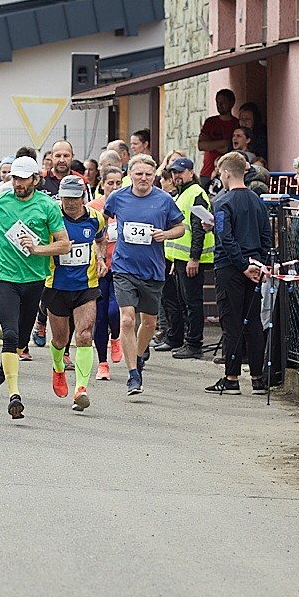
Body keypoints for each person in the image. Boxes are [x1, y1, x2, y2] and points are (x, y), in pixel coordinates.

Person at [0, 155, 69, 420]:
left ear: (35, 179)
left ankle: (3, 365)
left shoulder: (47, 207)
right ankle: (14, 395)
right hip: (6, 277)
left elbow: (64, 244)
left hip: (34, 279)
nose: (17, 183)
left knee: (20, 339)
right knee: (9, 334)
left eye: (22, 178)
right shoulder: (1, 202)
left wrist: (38, 248)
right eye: (14, 178)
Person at [104, 154, 185, 397]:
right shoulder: (118, 198)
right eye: (138, 173)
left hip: (153, 269)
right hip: (124, 267)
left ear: (154, 177)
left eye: (148, 174)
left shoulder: (164, 199)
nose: (143, 178)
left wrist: (166, 235)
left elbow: (181, 227)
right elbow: (104, 218)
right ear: (130, 175)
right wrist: (101, 248)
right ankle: (132, 374)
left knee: (149, 322)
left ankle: (138, 358)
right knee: (127, 319)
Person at [203, 151, 274, 395]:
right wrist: (259, 263)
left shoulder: (222, 202)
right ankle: (257, 378)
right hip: (255, 266)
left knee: (231, 321)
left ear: (225, 173)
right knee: (253, 321)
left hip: (231, 267)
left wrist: (242, 265)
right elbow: (267, 235)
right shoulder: (257, 200)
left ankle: (231, 377)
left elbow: (226, 237)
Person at [41, 174, 106, 412]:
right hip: (56, 286)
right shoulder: (52, 219)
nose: (70, 203)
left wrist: (100, 258)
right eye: (66, 197)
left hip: (86, 286)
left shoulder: (95, 219)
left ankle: (81, 389)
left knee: (85, 335)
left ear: (83, 197)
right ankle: (58, 367)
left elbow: (101, 238)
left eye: (75, 198)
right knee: (60, 340)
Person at [155, 157, 213, 359]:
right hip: (179, 258)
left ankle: (194, 344)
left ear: (191, 172)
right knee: (182, 301)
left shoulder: (196, 193)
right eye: (174, 172)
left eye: (181, 172)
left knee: (192, 302)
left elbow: (199, 230)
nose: (177, 175)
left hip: (190, 259)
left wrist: (194, 258)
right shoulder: (183, 194)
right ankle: (180, 339)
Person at [88, 165, 124, 380]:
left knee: (114, 311)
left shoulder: (127, 205)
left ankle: (116, 337)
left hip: (121, 268)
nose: (114, 187)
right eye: (110, 183)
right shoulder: (93, 208)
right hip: (99, 269)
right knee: (100, 317)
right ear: (102, 184)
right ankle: (103, 363)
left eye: (118, 183)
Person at [198, 88, 240, 187]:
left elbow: (229, 148)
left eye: (223, 102)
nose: (219, 105)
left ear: (231, 103)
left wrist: (211, 144)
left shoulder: (236, 124)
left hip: (227, 174)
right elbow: (201, 145)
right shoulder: (210, 122)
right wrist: (224, 142)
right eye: (217, 102)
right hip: (207, 172)